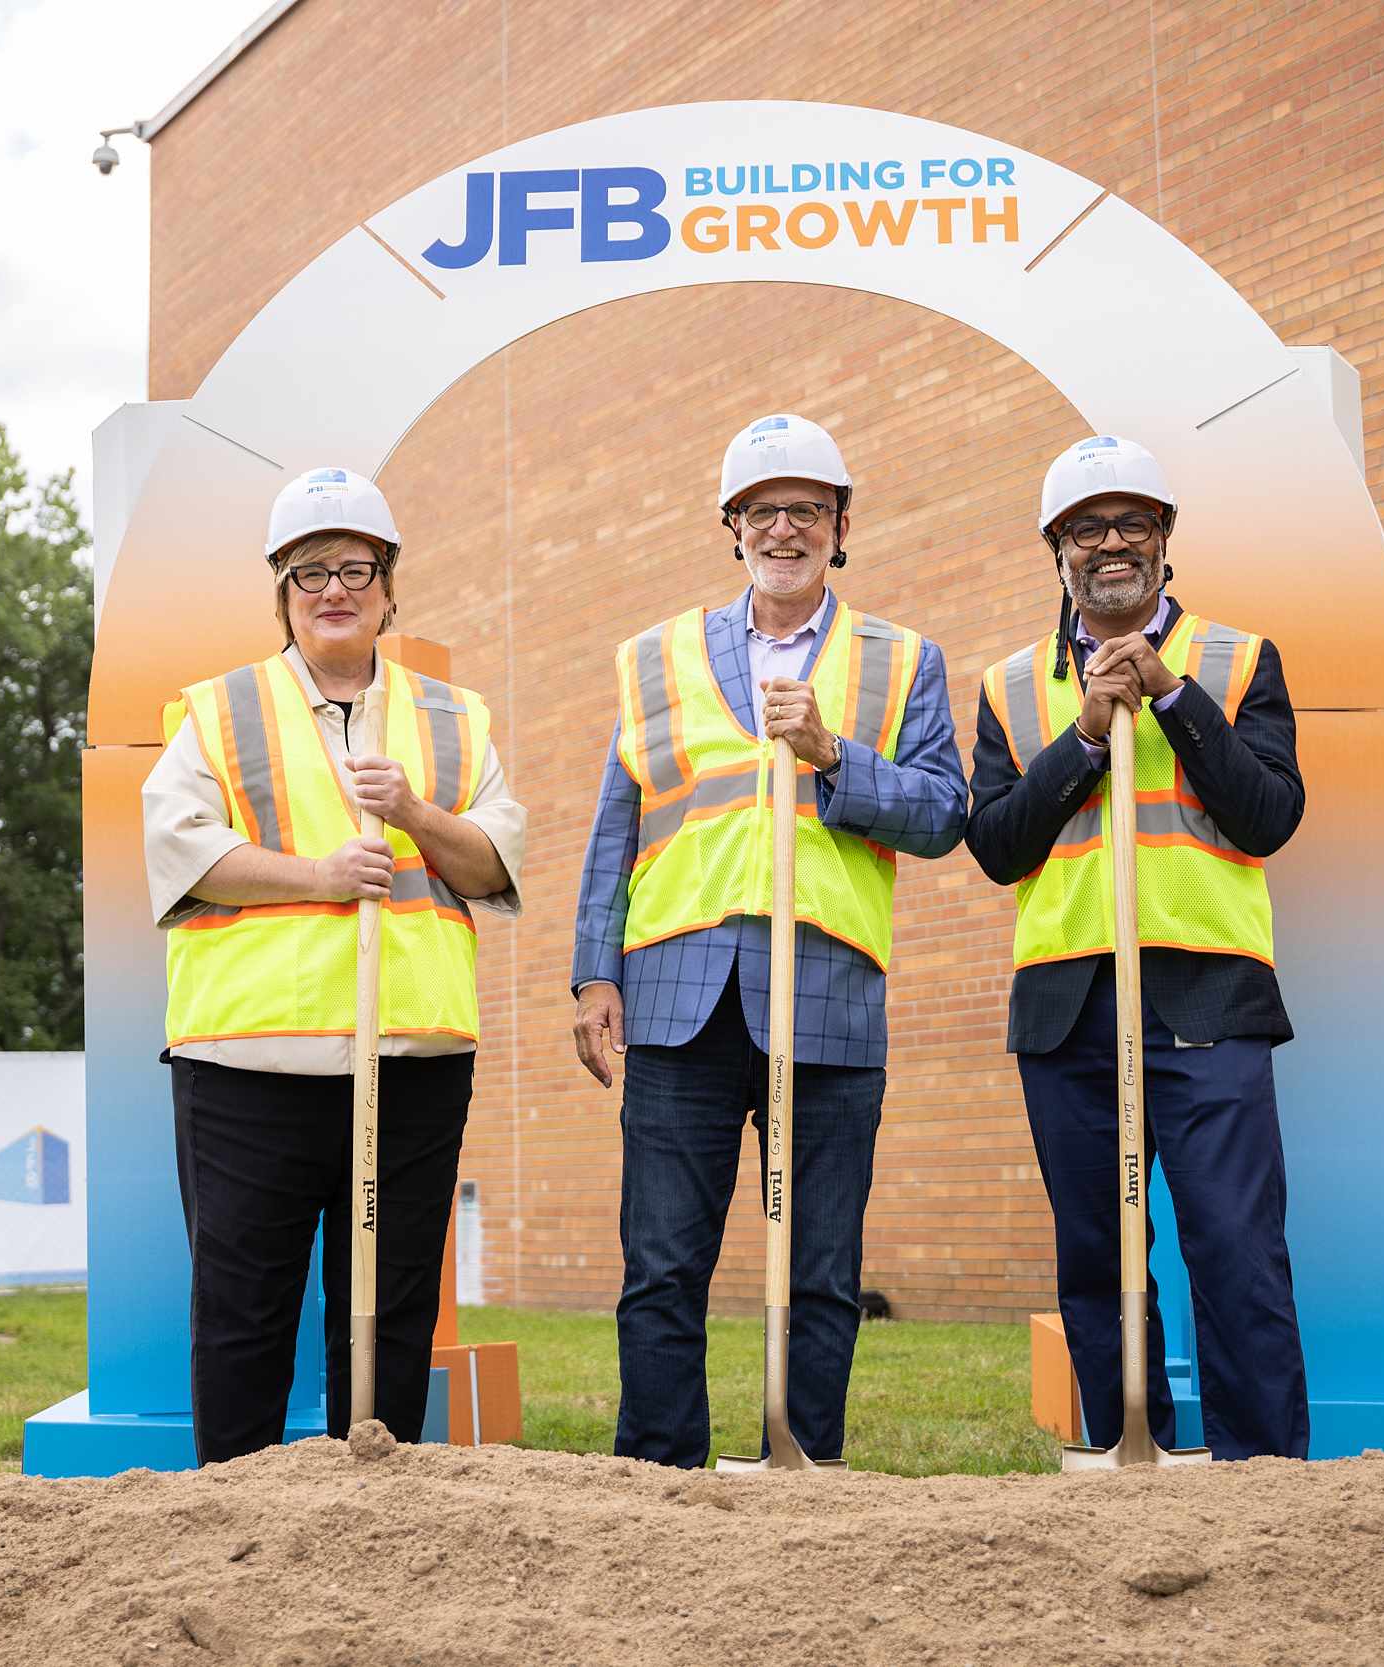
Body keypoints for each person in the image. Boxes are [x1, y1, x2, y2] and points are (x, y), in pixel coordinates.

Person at [571, 413, 966, 1468]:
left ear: (841, 525)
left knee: (820, 1261)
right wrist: (593, 975)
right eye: (761, 508)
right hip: (676, 993)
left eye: (806, 508)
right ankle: (658, 1473)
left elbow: (941, 815)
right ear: (729, 525)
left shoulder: (901, 658)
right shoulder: (652, 658)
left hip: (829, 995)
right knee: (660, 1261)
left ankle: (802, 1469)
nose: (782, 526)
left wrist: (834, 753)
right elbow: (618, 825)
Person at [142, 466, 526, 1463]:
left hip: (412, 1057)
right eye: (309, 572)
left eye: (355, 567)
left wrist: (412, 814)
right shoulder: (218, 713)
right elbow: (182, 851)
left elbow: (493, 860)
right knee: (242, 1307)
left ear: (390, 588)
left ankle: (374, 1518)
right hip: (247, 1063)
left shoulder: (452, 719)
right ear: (282, 594)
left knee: (390, 1311)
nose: (334, 589)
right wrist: (319, 872)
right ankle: (233, 1509)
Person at [964, 433, 1310, 1460]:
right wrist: (1081, 735)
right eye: (1085, 527)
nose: (1109, 543)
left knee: (1236, 1247)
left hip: (1205, 997)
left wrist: (1169, 694)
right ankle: (1129, 1457)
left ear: (1164, 539)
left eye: (1131, 523)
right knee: (1097, 1255)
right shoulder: (1012, 686)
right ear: (1054, 546)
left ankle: (1264, 1478)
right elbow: (995, 844)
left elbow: (1266, 816)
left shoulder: (1237, 659)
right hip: (1067, 1002)